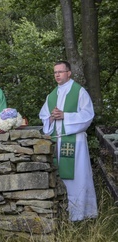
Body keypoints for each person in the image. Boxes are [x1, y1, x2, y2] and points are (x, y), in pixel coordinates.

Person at [39, 60, 98, 222]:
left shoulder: (79, 92)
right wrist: (51, 118)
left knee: (79, 178)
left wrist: (66, 116)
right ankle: (65, 213)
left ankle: (82, 214)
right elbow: (44, 117)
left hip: (75, 143)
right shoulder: (51, 95)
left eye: (61, 71)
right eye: (55, 72)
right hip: (58, 142)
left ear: (69, 73)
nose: (57, 75)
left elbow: (88, 115)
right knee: (62, 179)